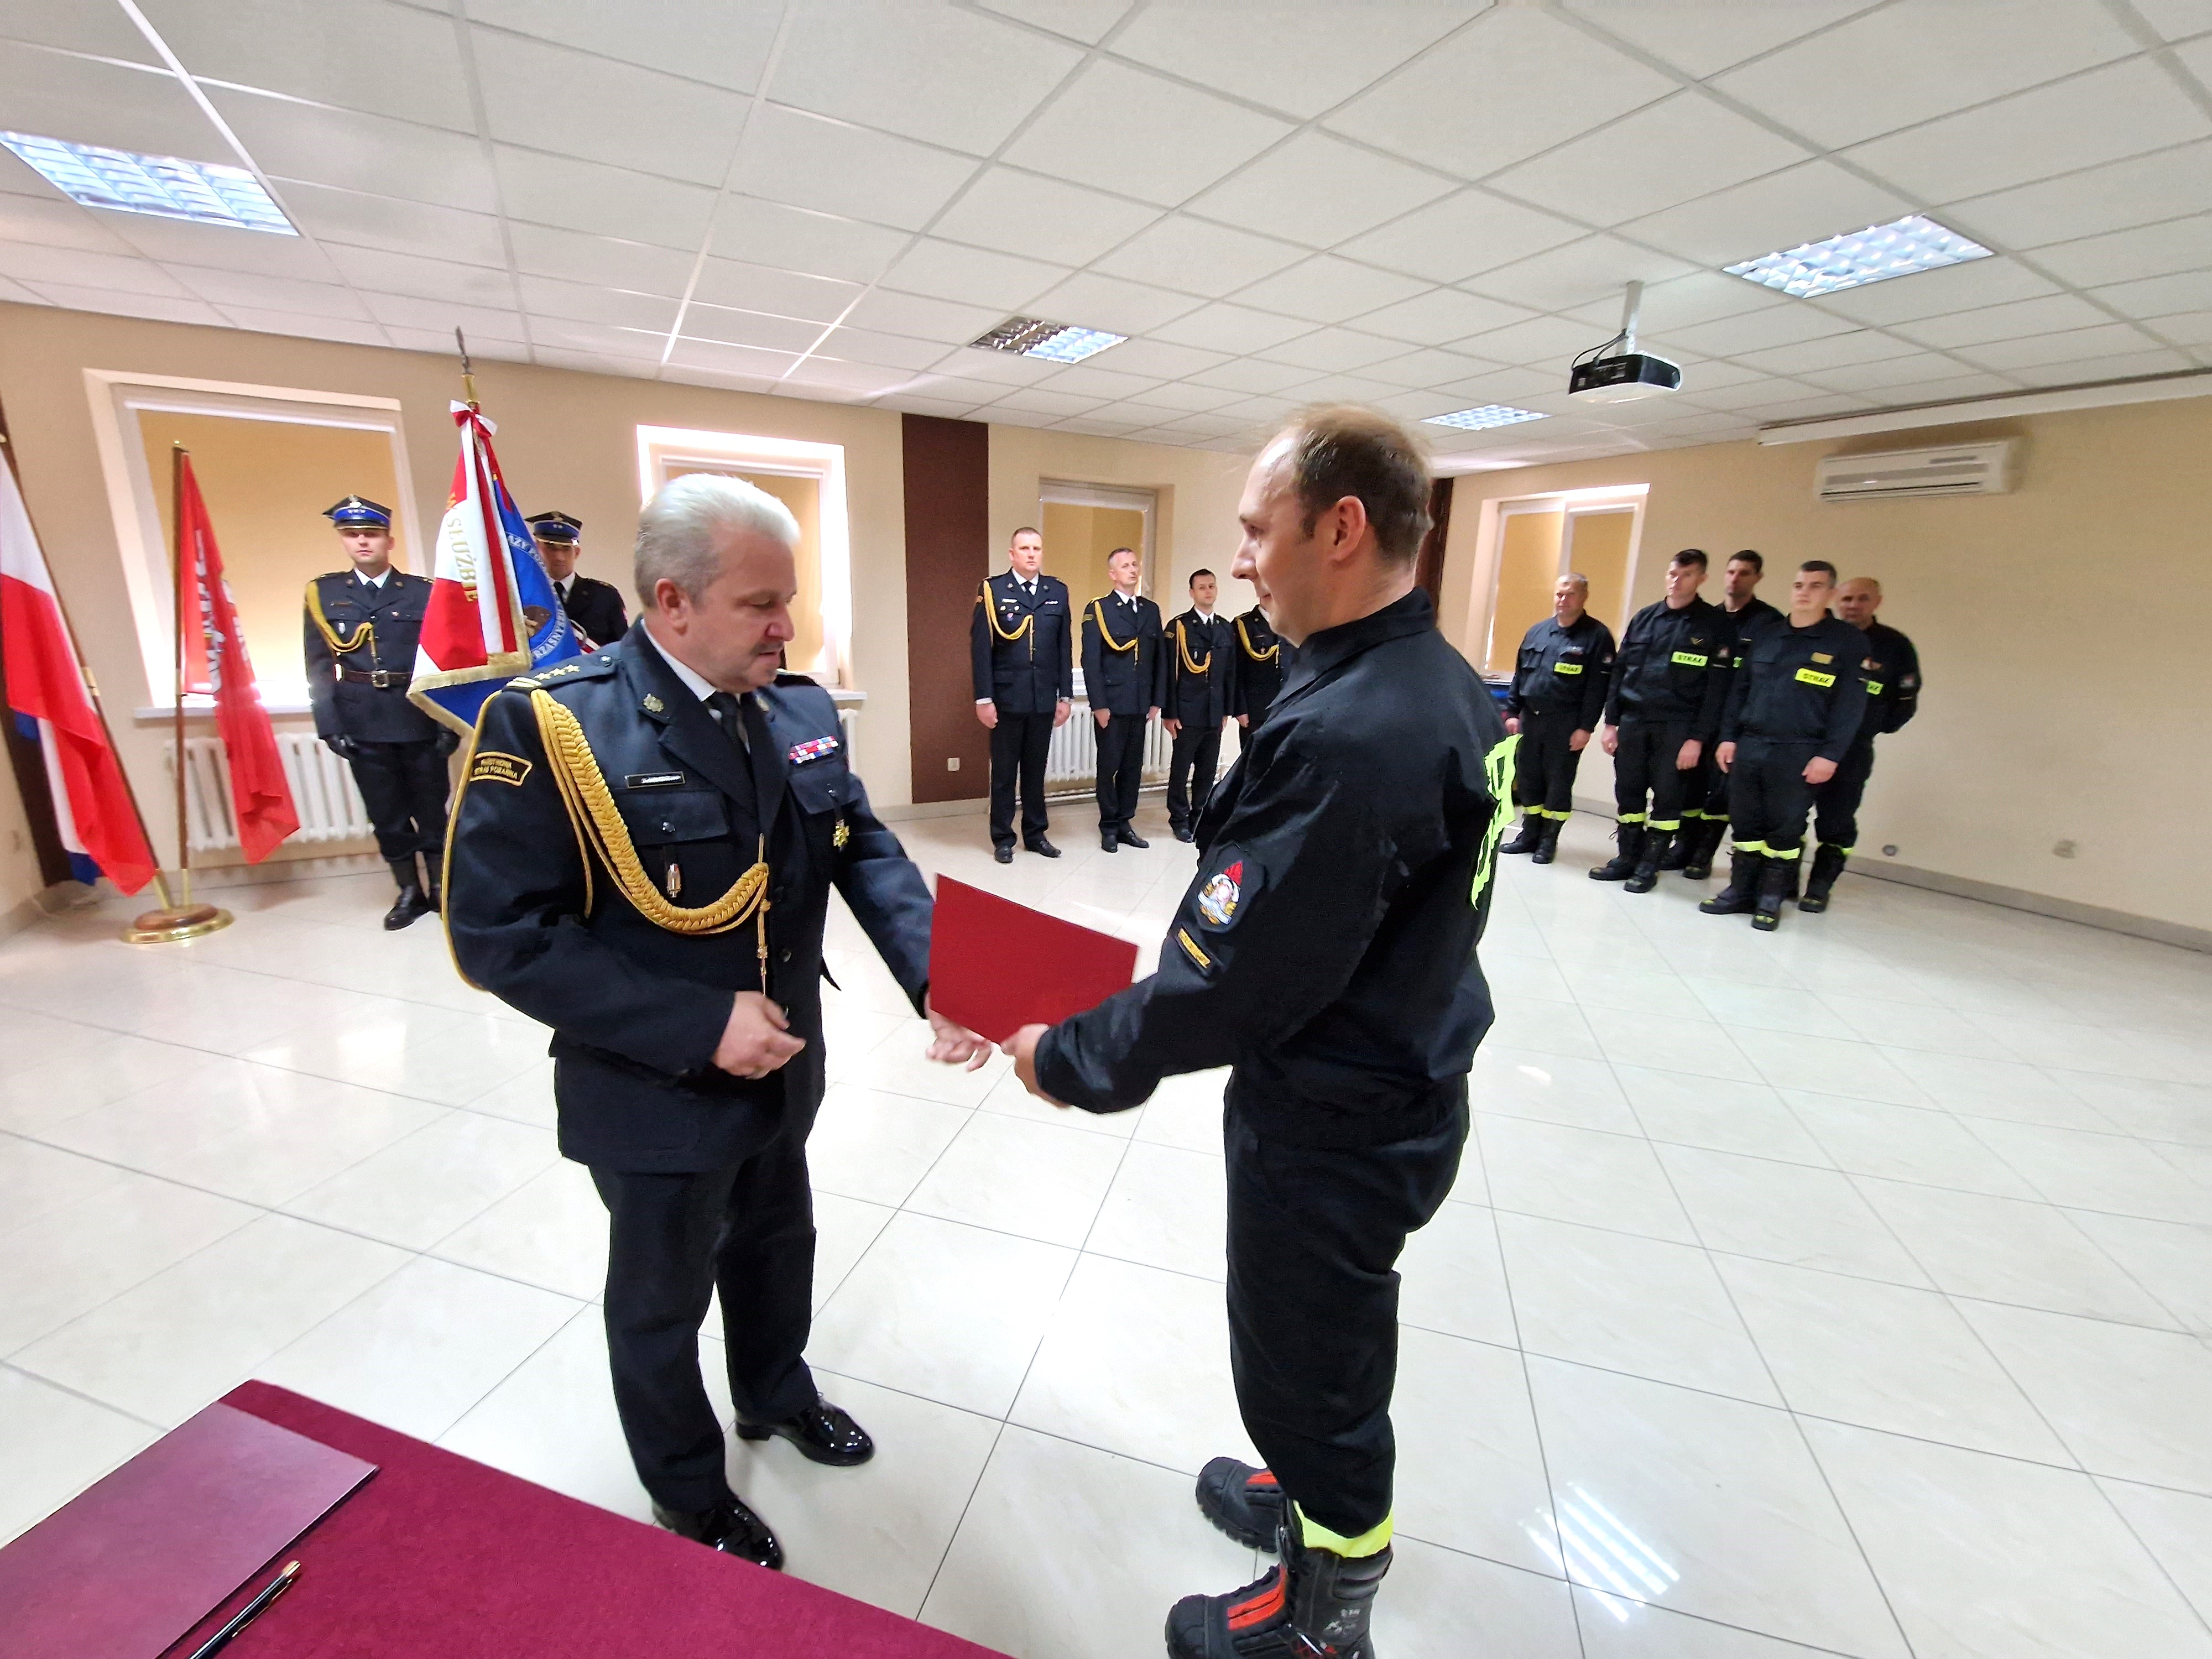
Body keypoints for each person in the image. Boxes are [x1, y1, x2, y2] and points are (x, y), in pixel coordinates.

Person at [1005, 408, 1514, 1659]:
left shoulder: (1357, 728)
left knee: (1312, 1362)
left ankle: (1326, 1610)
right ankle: (1304, 1491)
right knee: (1317, 1336)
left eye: (1253, 529)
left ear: (1340, 528)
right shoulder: (1431, 678)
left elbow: (1230, 978)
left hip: (1338, 1111)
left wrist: (1066, 1057)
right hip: (1385, 1066)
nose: (1238, 560)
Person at [445, 474, 991, 1571]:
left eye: (788, 600)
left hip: (783, 1065)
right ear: (672, 602)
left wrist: (941, 977)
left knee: (777, 1242)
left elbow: (862, 849)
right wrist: (698, 1024)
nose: (787, 627)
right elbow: (498, 934)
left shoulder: (798, 710)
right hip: (655, 1085)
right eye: (760, 604)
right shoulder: (555, 722)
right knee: (660, 1297)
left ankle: (774, 1395)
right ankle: (688, 1491)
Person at [303, 494, 455, 930]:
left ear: (390, 540)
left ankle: (441, 887)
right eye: (352, 534)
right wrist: (329, 724)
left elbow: (444, 660)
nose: (362, 542)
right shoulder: (324, 593)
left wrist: (447, 721)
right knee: (386, 814)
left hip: (417, 714)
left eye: (371, 533)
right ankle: (408, 891)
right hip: (362, 718)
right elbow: (317, 666)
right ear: (343, 540)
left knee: (432, 809)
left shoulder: (423, 592)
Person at [1703, 560, 1869, 932]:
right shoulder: (1768, 635)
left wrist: (1830, 755)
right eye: (1799, 585)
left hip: (1800, 749)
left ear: (1831, 593)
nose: (1804, 592)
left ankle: (1770, 898)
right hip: (1751, 743)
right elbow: (1740, 690)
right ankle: (1740, 891)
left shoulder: (1846, 642)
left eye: (1815, 586)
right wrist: (1728, 737)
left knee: (1785, 827)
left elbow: (1850, 707)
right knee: (1745, 822)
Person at [1593, 550, 1725, 893]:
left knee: (1668, 798)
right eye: (1672, 574)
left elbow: (1716, 690)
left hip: (1678, 727)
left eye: (1686, 575)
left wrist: (1697, 739)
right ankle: (1627, 858)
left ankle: (1649, 867)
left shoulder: (1714, 625)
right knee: (1629, 793)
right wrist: (1611, 723)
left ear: (1702, 579)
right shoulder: (1645, 618)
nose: (1676, 581)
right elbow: (1620, 672)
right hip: (1634, 721)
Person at [1802, 577, 1921, 912]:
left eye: (1863, 599)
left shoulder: (1894, 645)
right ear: (1836, 599)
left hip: (1853, 751)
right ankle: (1781, 882)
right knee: (1790, 816)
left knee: (1836, 820)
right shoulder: (1823, 637)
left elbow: (1905, 701)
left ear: (1877, 602)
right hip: (1808, 743)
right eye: (1848, 598)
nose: (1853, 605)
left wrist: (1869, 727)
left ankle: (1819, 887)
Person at [1673, 549, 1779, 879]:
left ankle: (1703, 855)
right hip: (1702, 716)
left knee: (1722, 791)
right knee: (1689, 786)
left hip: (1738, 723)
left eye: (1744, 573)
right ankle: (1684, 847)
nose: (1735, 579)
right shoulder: (1710, 619)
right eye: (1731, 572)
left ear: (1758, 578)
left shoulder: (1769, 623)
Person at [1498, 573, 1614, 866]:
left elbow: (1597, 689)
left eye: (1571, 594)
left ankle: (1548, 841)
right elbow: (1521, 675)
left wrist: (1585, 728)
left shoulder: (1597, 637)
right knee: (1528, 779)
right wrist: (1513, 712)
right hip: (1530, 719)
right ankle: (1529, 835)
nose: (1563, 600)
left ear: (1584, 597)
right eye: (1559, 594)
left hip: (1566, 723)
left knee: (1558, 782)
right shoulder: (1537, 632)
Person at [971, 526, 1072, 863]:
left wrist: (1065, 696)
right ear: (1012, 554)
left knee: (1035, 772)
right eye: (1025, 548)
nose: (1031, 554)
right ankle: (1003, 838)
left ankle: (1036, 834)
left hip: (1043, 698)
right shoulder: (994, 590)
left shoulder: (1057, 591)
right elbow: (981, 648)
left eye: (1036, 548)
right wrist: (984, 698)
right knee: (1004, 773)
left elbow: (1064, 647)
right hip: (1006, 698)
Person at [1081, 545, 1165, 853]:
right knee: (1109, 767)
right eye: (1125, 566)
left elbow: (1159, 659)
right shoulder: (1099, 609)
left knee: (1133, 767)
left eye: (1134, 564)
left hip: (1140, 702)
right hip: (1113, 703)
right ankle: (1108, 825)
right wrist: (1099, 705)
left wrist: (1156, 700)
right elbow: (1091, 660)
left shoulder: (1150, 610)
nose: (1132, 570)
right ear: (1112, 574)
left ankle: (1125, 822)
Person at [1163, 568, 1232, 842]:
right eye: (1202, 587)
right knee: (1181, 770)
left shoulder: (1225, 628)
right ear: (1192, 593)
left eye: (1212, 586)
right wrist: (1170, 713)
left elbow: (1229, 673)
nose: (1208, 591)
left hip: (1214, 712)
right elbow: (1169, 673)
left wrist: (1227, 710)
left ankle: (1200, 817)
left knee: (1207, 769)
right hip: (1187, 711)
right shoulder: (1178, 627)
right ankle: (1179, 819)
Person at [526, 510, 628, 647]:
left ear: (577, 552)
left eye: (566, 549)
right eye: (551, 548)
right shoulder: (524, 595)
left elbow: (623, 649)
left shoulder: (605, 597)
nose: (559, 557)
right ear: (537, 549)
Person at [1226, 600, 1284, 753]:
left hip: (1286, 707)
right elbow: (1235, 671)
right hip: (1255, 710)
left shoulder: (1291, 620)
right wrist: (1240, 709)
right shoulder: (1244, 624)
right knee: (1254, 761)